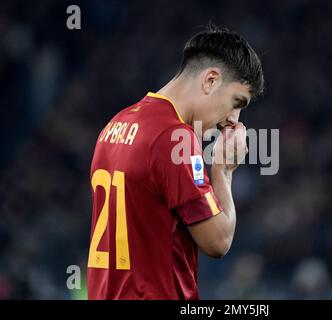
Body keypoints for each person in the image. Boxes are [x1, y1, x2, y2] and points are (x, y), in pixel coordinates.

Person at [87, 25, 264, 299]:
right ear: (211, 80)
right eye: (236, 102)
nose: (234, 119)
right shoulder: (174, 136)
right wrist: (223, 169)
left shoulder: (116, 123)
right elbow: (218, 241)